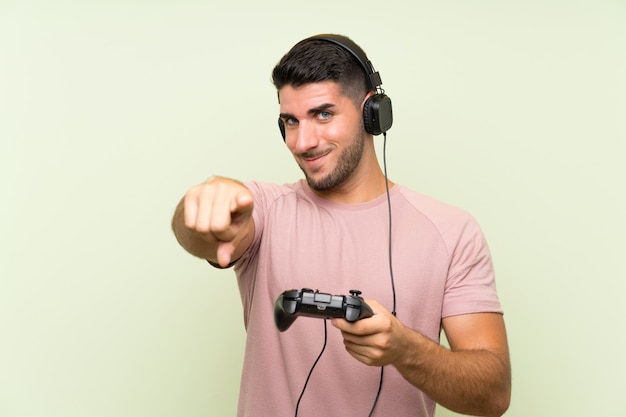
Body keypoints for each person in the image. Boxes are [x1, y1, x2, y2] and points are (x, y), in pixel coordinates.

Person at [172, 33, 511, 417]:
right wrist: (202, 207)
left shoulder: (451, 231)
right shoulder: (264, 209)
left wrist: (406, 349)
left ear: (373, 113)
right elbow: (204, 233)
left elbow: (493, 395)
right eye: (290, 122)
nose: (303, 141)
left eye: (323, 114)